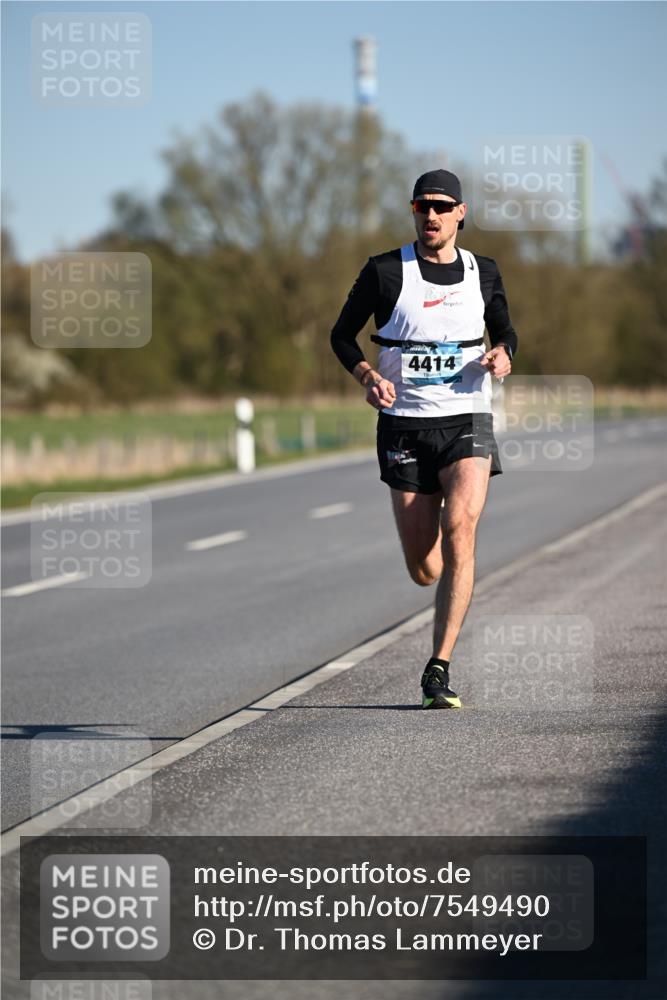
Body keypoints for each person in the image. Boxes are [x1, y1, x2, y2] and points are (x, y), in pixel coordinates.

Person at [330, 169, 518, 709]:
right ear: (413, 212)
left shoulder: (484, 273)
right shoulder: (386, 271)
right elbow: (341, 334)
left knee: (460, 524)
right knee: (424, 568)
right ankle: (436, 567)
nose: (430, 215)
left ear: (461, 212)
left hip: (467, 419)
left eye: (441, 206)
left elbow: (505, 331)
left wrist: (505, 353)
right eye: (421, 207)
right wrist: (368, 376)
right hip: (404, 425)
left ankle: (439, 666)